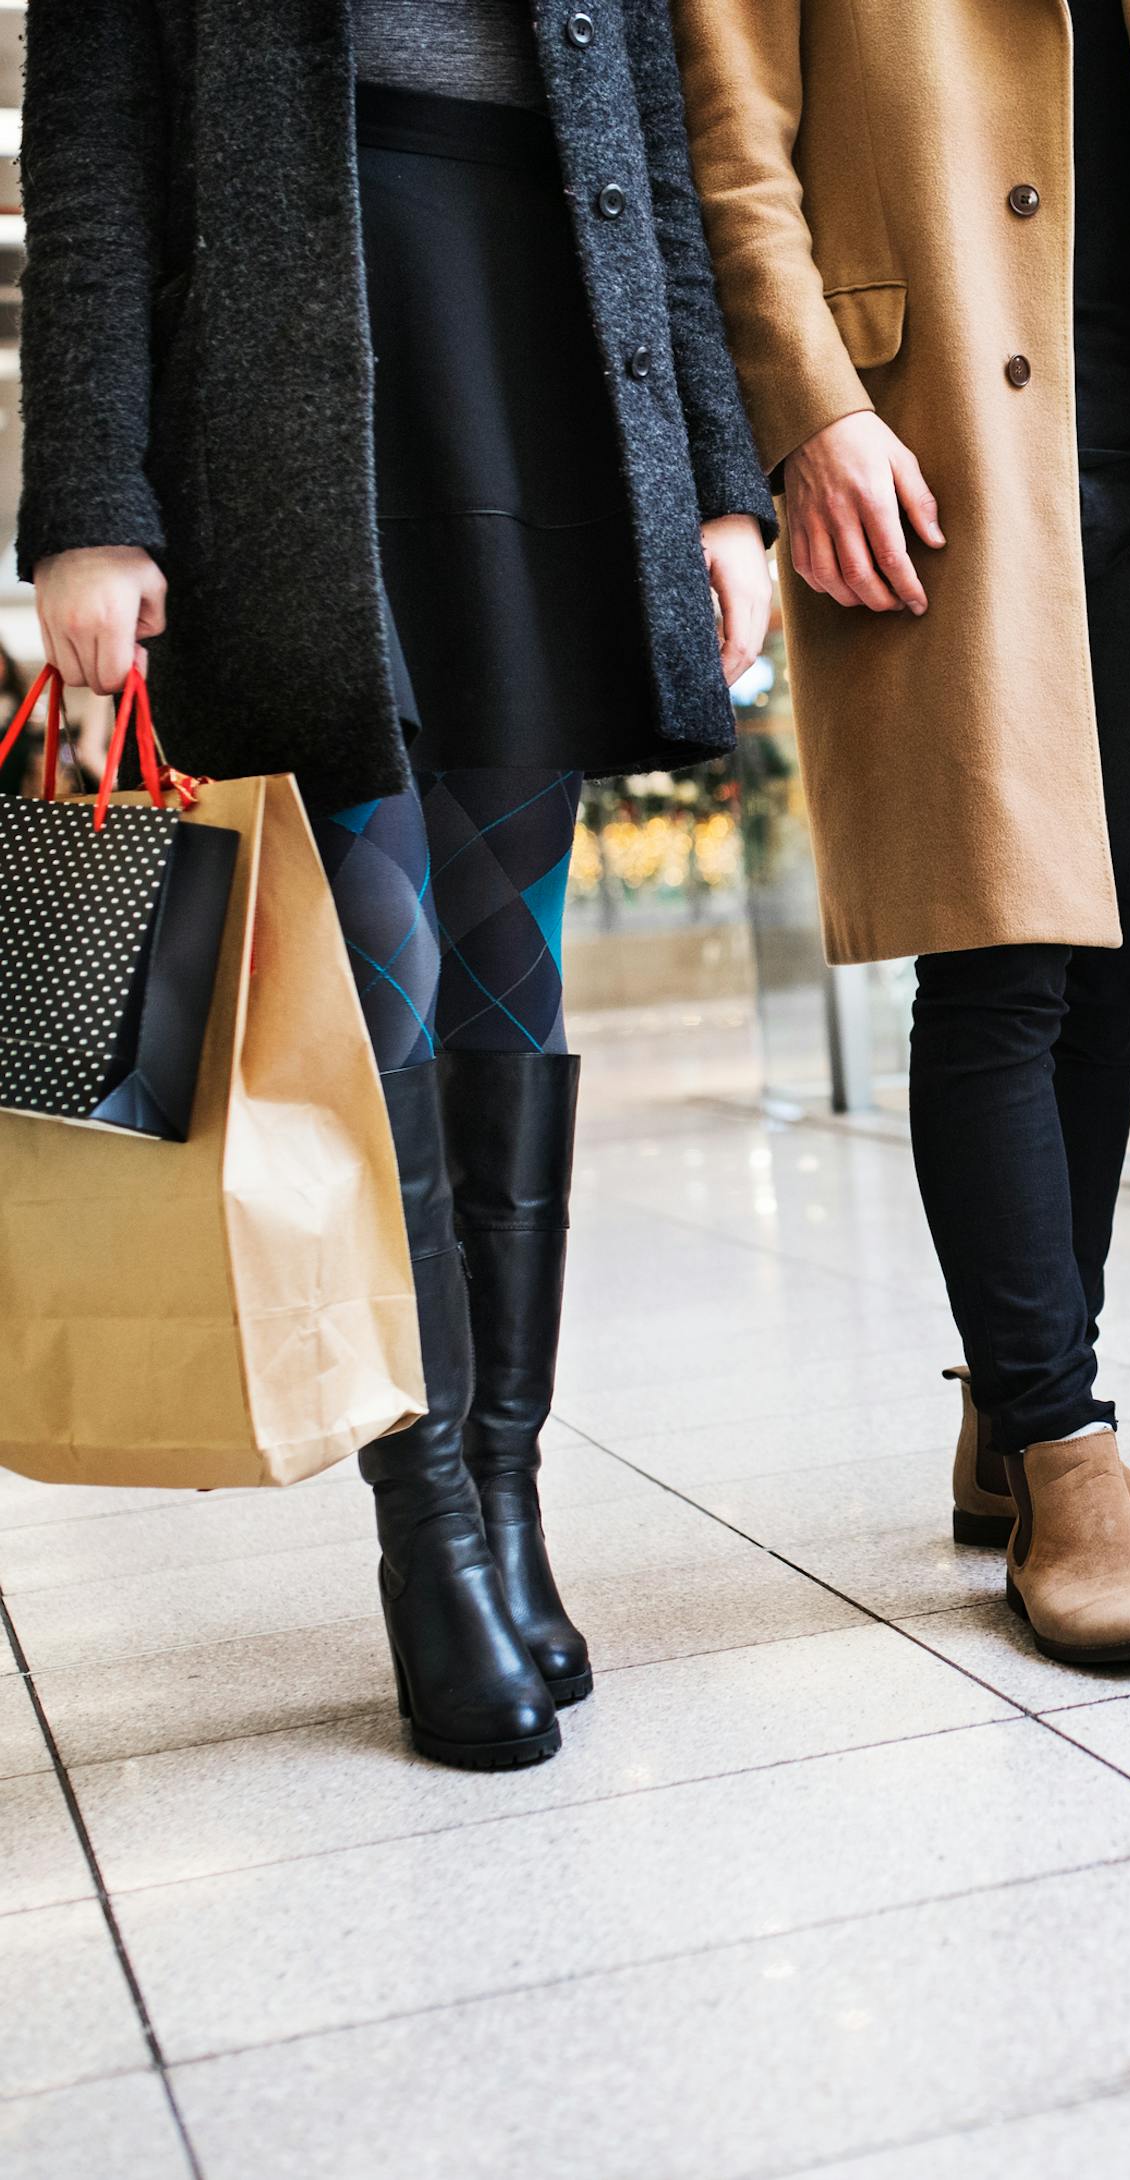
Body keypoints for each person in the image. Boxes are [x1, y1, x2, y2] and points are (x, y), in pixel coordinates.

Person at [21, 0, 774, 1766]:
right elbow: (97, 147)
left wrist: (718, 482)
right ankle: (428, 1531)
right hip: (297, 404)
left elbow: (649, 135)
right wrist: (86, 501)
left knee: (517, 971)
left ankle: (507, 1500)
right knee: (387, 991)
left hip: (553, 365)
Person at [670, 0, 1130, 1663]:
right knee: (1001, 962)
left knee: (1105, 962)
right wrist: (806, 409)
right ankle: (1064, 1452)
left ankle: (1020, 1424)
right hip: (938, 426)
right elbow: (734, 134)